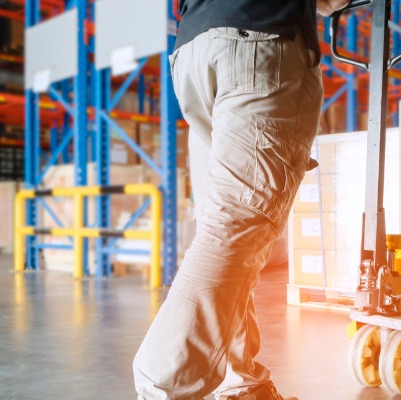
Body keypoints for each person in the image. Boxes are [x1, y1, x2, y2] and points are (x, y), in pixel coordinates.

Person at [133, 0, 348, 398]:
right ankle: (164, 386)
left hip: (194, 52)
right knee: (236, 223)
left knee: (225, 228)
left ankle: (240, 386)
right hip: (258, 43)